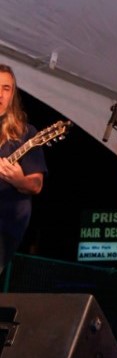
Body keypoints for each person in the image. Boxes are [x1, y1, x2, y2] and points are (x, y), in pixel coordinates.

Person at [0, 64, 46, 275]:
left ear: (12, 95)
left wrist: (19, 180)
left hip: (5, 225)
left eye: (6, 88)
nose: (0, 93)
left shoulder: (26, 133)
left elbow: (36, 185)